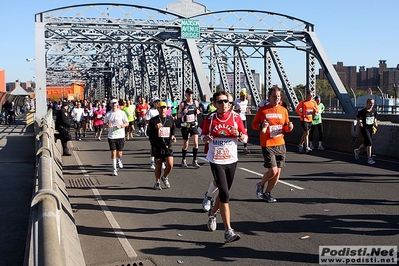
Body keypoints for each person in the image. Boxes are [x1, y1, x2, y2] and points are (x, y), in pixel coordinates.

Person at [200, 91, 248, 243]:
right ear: (214, 104)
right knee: (225, 193)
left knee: (223, 192)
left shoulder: (236, 118)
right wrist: (205, 139)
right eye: (220, 102)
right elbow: (202, 134)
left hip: (231, 159)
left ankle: (212, 214)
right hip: (216, 160)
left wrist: (239, 134)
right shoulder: (211, 118)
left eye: (226, 101)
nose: (224, 104)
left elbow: (246, 137)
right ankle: (228, 231)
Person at [252, 87, 294, 202]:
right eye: (274, 96)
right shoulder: (263, 110)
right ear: (269, 97)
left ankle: (267, 193)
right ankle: (260, 185)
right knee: (273, 171)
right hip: (267, 143)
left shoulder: (283, 110)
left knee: (277, 174)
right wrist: (262, 126)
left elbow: (286, 125)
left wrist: (289, 127)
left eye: (279, 96)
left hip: (280, 143)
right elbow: (254, 125)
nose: (277, 98)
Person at [146, 101, 177, 190]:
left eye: (165, 108)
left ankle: (165, 176)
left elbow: (172, 130)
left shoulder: (170, 119)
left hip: (167, 145)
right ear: (158, 109)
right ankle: (157, 182)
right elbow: (148, 132)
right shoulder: (153, 120)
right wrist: (155, 128)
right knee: (158, 164)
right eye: (161, 108)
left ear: (167, 109)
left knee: (170, 165)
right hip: (157, 145)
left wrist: (173, 136)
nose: (163, 110)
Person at [103, 98, 129, 176]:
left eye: (115, 103)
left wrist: (121, 126)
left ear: (117, 104)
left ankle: (119, 160)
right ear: (110, 105)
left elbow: (127, 123)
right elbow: (104, 125)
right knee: (113, 152)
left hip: (120, 135)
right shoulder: (108, 114)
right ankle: (114, 169)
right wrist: (107, 125)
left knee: (119, 153)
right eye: (112, 103)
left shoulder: (122, 113)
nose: (114, 105)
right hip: (111, 136)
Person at [178, 88, 201, 168]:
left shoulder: (196, 102)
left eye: (191, 93)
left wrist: (198, 112)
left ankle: (194, 160)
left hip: (193, 124)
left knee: (195, 143)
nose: (190, 95)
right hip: (185, 125)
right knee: (186, 144)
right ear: (186, 94)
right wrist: (183, 113)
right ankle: (183, 160)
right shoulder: (182, 104)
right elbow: (178, 115)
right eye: (188, 93)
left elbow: (198, 110)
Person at [354, 98, 378, 165]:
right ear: (367, 103)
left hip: (371, 128)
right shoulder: (363, 111)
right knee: (369, 142)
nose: (371, 105)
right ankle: (369, 158)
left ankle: (357, 151)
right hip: (364, 128)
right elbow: (357, 117)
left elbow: (375, 118)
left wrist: (375, 123)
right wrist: (359, 122)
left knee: (366, 143)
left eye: (372, 103)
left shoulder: (374, 111)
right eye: (370, 103)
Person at [234, 89, 250, 154]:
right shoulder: (236, 101)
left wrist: (247, 111)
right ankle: (234, 147)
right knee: (236, 133)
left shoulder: (246, 101)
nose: (244, 98)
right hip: (237, 119)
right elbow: (231, 109)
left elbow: (246, 108)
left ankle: (245, 148)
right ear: (240, 96)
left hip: (243, 118)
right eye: (242, 96)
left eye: (245, 96)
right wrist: (237, 111)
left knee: (245, 132)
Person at [146, 97, 161, 169]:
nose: (157, 103)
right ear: (153, 103)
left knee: (161, 146)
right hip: (152, 131)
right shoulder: (150, 111)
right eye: (155, 102)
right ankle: (152, 162)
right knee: (153, 146)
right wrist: (154, 123)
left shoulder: (162, 110)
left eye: (158, 102)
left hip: (161, 131)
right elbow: (146, 121)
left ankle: (161, 161)